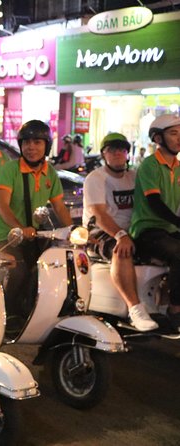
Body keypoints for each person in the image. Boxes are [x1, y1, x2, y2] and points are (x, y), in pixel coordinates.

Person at [0, 120, 73, 322]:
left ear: (46, 146)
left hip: (36, 235)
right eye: (26, 142)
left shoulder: (50, 172)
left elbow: (59, 206)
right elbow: (2, 205)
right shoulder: (10, 170)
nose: (31, 147)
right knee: (18, 271)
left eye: (37, 142)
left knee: (54, 267)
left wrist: (72, 230)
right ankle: (6, 316)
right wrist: (20, 228)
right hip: (8, 236)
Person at [83, 133, 158, 331]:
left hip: (131, 230)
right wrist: (120, 236)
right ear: (103, 154)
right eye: (111, 150)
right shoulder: (96, 178)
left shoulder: (134, 176)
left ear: (127, 153)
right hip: (99, 232)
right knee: (122, 250)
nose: (117, 154)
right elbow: (99, 214)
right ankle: (135, 309)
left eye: (121, 149)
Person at [130, 114, 180, 332]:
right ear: (158, 139)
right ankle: (175, 310)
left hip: (169, 229)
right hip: (147, 229)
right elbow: (154, 202)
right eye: (173, 133)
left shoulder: (178, 166)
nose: (179, 138)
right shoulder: (150, 165)